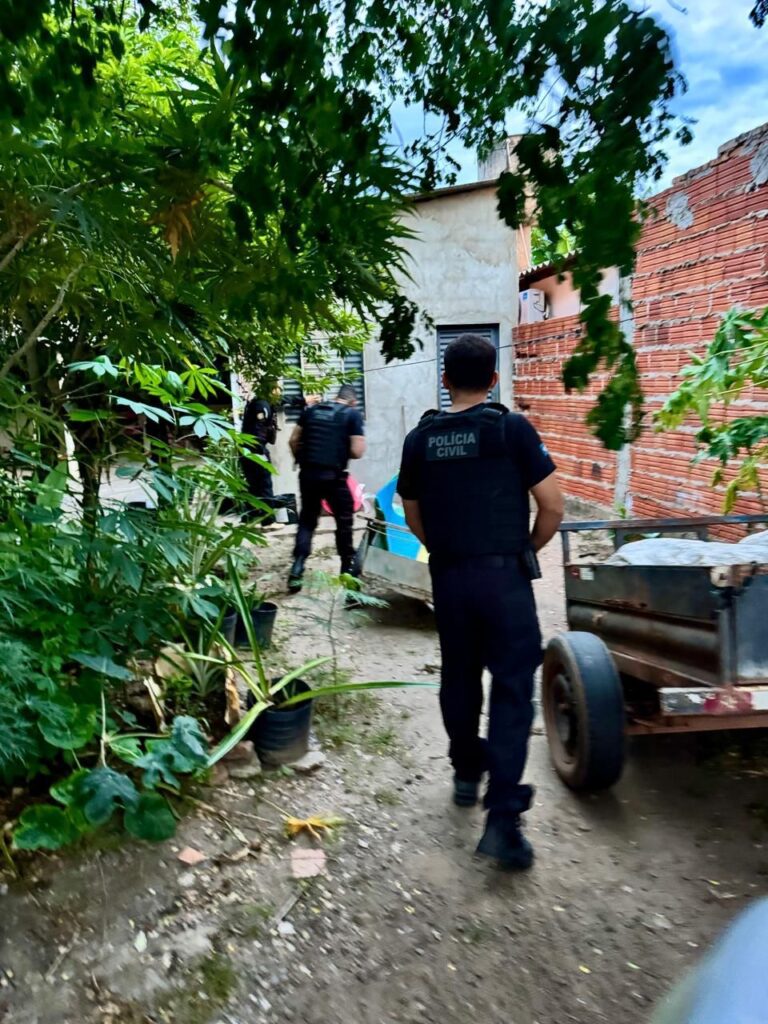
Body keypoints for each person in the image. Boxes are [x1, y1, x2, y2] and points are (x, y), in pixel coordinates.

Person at [396, 334, 564, 870]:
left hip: (450, 579)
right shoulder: (512, 429)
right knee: (512, 690)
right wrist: (524, 548)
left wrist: (446, 551)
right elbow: (553, 506)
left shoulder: (419, 439)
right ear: (493, 380)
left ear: (445, 380)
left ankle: (466, 773)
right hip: (504, 580)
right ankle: (503, 821)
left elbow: (412, 513)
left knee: (460, 677)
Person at [287, 384, 366, 592]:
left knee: (307, 520)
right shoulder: (352, 415)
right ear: (353, 402)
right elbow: (357, 451)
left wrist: (301, 459)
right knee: (344, 521)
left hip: (308, 474)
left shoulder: (311, 411)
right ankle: (347, 569)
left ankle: (297, 566)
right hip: (334, 476)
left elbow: (293, 440)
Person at [240, 391, 279, 523]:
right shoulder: (261, 405)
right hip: (255, 450)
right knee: (264, 484)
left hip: (248, 450)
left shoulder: (259, 404)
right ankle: (268, 520)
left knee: (254, 486)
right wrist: (260, 452)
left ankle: (251, 518)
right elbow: (258, 431)